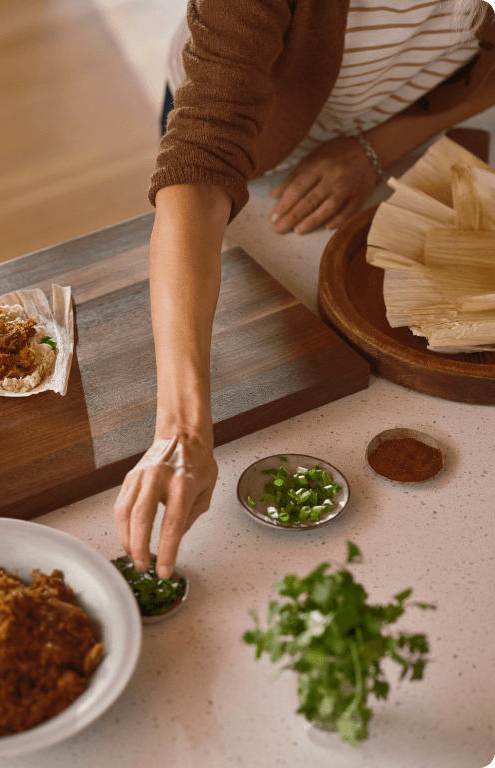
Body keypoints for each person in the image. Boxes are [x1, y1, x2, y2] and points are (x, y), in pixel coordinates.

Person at [114, 0, 495, 579]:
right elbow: (204, 159)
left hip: (399, 121)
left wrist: (377, 147)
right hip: (249, 146)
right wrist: (182, 430)